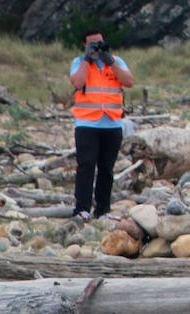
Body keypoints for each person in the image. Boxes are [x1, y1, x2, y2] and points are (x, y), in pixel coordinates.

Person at [69, 31, 135, 221]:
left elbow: (129, 81)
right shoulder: (78, 62)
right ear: (84, 45)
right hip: (86, 122)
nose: (97, 48)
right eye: (92, 45)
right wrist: (87, 60)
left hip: (112, 123)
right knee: (86, 166)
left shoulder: (116, 61)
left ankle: (103, 209)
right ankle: (82, 208)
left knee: (107, 168)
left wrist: (110, 61)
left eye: (99, 44)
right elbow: (77, 82)